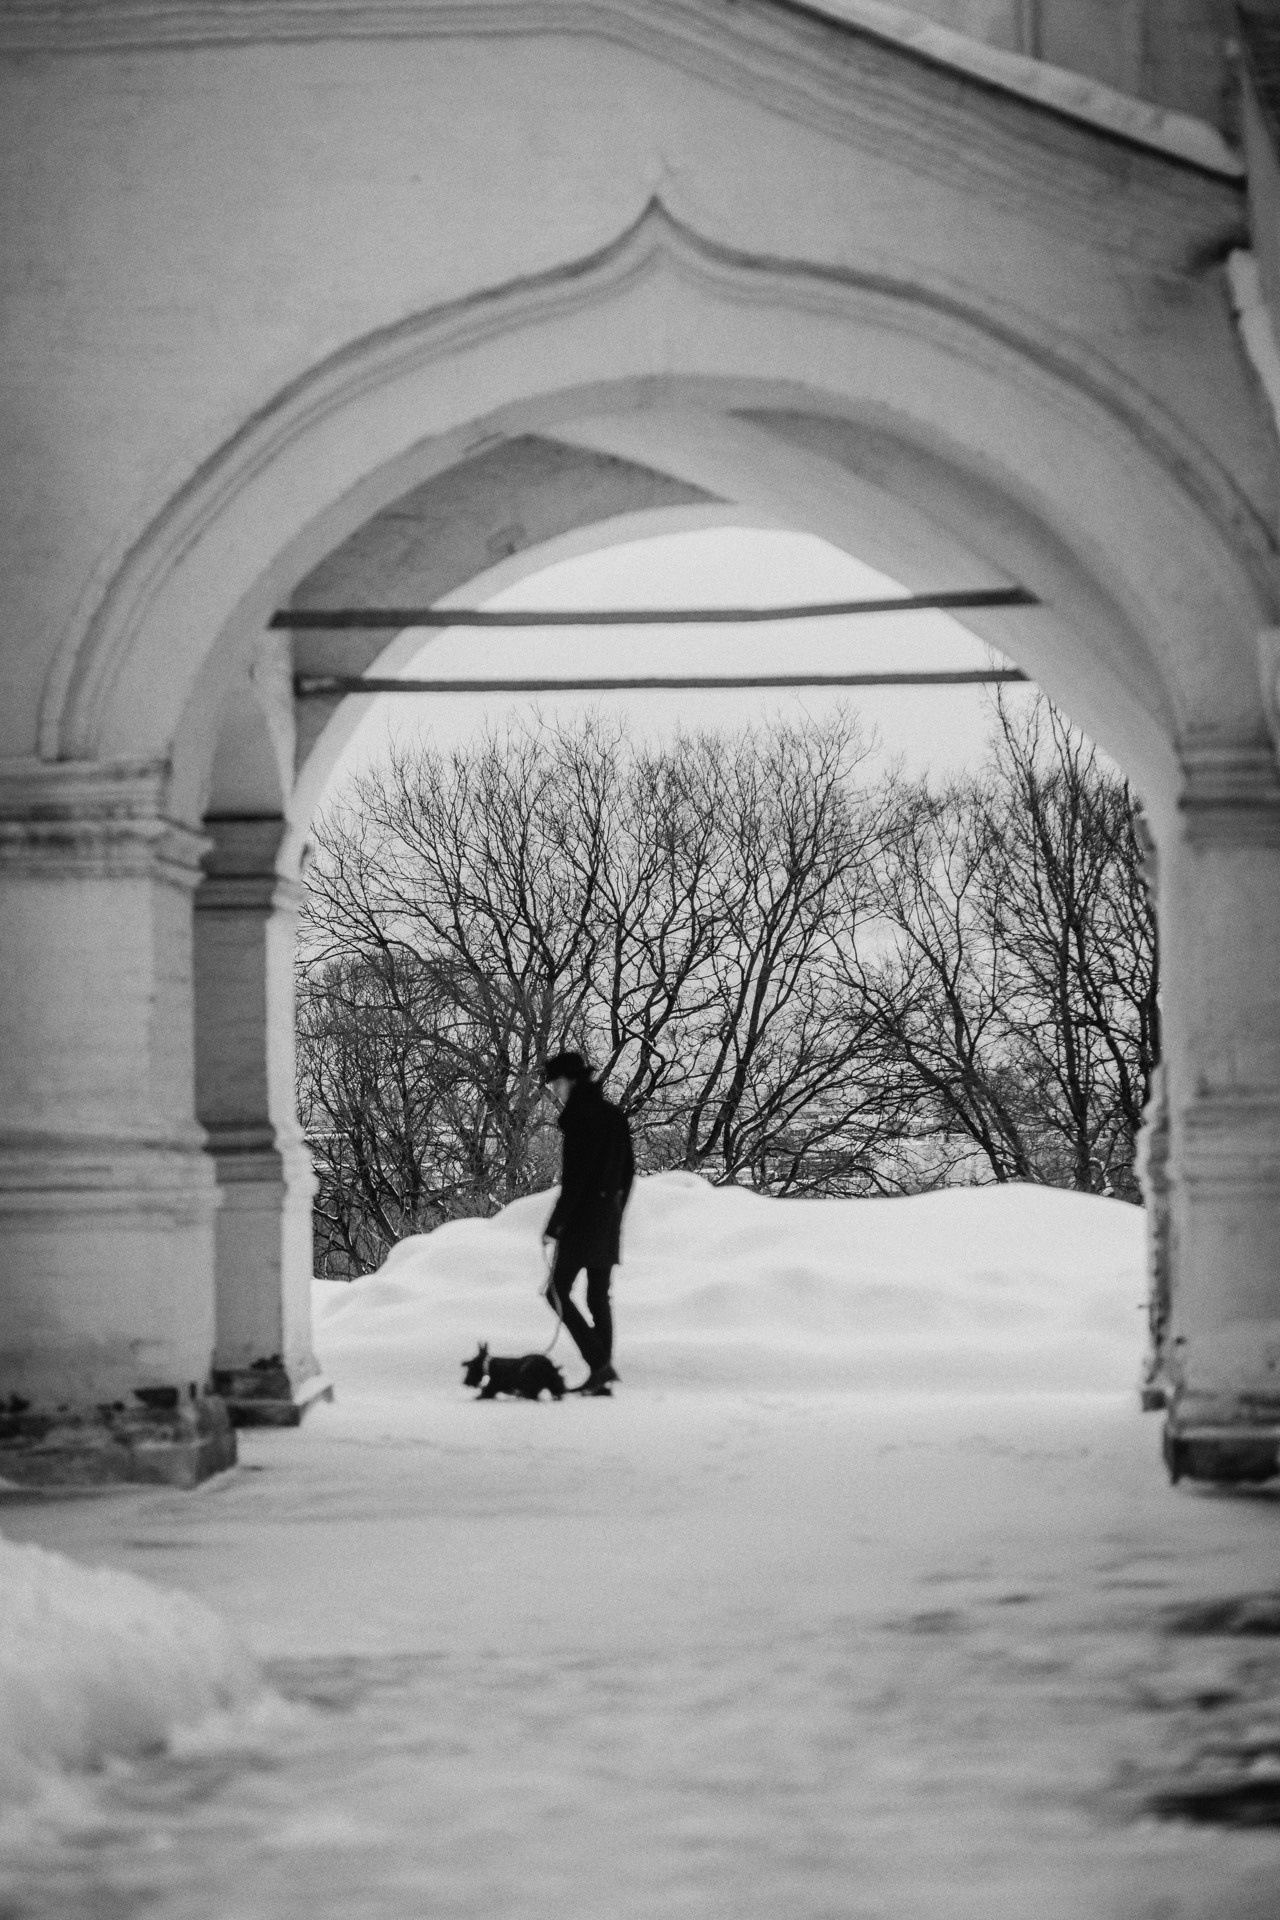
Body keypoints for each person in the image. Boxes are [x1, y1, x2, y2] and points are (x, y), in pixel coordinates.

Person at [541, 1050, 635, 1396]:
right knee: (598, 1296)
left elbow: (575, 1180)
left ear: (568, 1082)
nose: (556, 1091)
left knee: (556, 1291)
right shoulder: (613, 1115)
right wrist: (614, 1210)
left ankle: (599, 1363)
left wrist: (555, 1226)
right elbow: (628, 1172)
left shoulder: (579, 1118)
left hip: (581, 1221)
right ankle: (601, 1377)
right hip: (607, 1216)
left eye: (556, 1084)